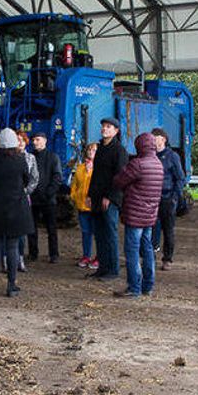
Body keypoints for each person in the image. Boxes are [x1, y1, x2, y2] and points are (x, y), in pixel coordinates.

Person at [0, 128, 35, 297]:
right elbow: (27, 179)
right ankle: (11, 286)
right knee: (12, 248)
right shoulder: (20, 160)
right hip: (16, 208)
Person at [112, 133, 163, 298]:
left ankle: (134, 287)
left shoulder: (138, 164)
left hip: (134, 215)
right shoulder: (158, 164)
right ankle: (148, 286)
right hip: (150, 215)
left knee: (132, 251)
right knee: (147, 249)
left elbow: (119, 181)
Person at [86, 118, 129, 280]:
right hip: (96, 197)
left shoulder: (119, 151)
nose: (104, 129)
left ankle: (113, 270)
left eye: (108, 127)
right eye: (103, 126)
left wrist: (110, 197)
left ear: (116, 130)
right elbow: (95, 175)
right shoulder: (101, 149)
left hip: (110, 200)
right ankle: (102, 268)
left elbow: (120, 177)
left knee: (110, 234)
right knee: (99, 234)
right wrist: (90, 195)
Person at [150, 128, 185, 270]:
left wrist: (175, 197)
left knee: (168, 230)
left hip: (167, 198)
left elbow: (180, 178)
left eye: (155, 137)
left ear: (163, 139)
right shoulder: (150, 155)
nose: (153, 139)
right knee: (151, 229)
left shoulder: (172, 156)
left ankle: (167, 259)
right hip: (152, 198)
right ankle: (150, 256)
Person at [28, 131, 62, 263]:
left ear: (45, 140)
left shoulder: (53, 157)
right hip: (33, 198)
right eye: (34, 140)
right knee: (31, 228)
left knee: (51, 228)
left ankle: (54, 254)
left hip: (49, 199)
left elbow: (57, 177)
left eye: (38, 139)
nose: (35, 142)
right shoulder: (30, 157)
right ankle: (33, 253)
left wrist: (49, 193)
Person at [70, 142, 99, 271]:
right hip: (82, 207)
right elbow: (74, 185)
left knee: (98, 233)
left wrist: (90, 171)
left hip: (94, 208)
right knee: (85, 233)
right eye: (89, 150)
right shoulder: (80, 168)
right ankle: (86, 256)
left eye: (94, 150)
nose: (91, 152)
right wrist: (75, 197)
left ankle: (99, 257)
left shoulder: (99, 168)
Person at [14, 130, 39, 272]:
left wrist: (26, 191)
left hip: (23, 198)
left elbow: (35, 178)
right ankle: (7, 258)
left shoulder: (30, 158)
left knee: (22, 231)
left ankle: (20, 259)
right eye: (18, 139)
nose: (21, 143)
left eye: (23, 140)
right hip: (9, 198)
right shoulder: (8, 156)